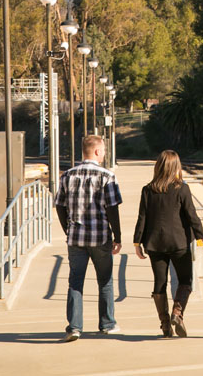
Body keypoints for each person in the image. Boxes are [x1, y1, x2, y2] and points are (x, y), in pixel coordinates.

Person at [133, 150, 203, 337]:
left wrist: (137, 242)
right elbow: (192, 216)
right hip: (179, 243)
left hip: (155, 244)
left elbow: (142, 218)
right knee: (185, 281)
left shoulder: (147, 190)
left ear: (158, 166)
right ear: (176, 167)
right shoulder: (181, 189)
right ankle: (177, 312)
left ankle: (165, 325)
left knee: (159, 284)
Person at [54, 134, 123, 341]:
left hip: (76, 238)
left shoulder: (67, 175)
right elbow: (112, 209)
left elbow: (59, 206)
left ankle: (74, 327)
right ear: (96, 151)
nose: (104, 154)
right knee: (105, 280)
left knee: (75, 281)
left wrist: (67, 229)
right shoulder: (107, 176)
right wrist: (117, 236)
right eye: (102, 150)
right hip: (100, 237)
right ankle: (107, 324)